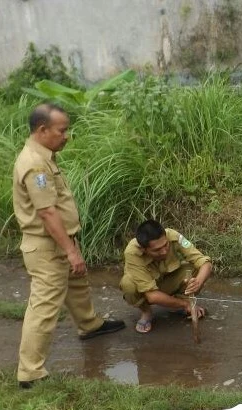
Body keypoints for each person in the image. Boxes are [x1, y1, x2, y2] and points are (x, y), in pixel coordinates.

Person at [12, 103, 126, 389]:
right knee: (44, 306)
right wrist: (71, 250)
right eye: (62, 130)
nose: (67, 136)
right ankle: (30, 372)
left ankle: (90, 324)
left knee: (77, 283)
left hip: (57, 241)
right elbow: (47, 212)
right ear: (42, 130)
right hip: (47, 246)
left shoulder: (43, 156)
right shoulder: (35, 164)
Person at [120, 219, 212, 333]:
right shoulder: (132, 252)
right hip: (147, 290)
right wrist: (186, 304)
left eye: (165, 245)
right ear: (144, 249)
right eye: (157, 250)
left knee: (195, 269)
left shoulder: (172, 236)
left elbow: (205, 263)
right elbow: (152, 295)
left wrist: (198, 282)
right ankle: (146, 312)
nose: (164, 251)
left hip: (168, 282)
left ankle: (180, 305)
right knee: (128, 284)